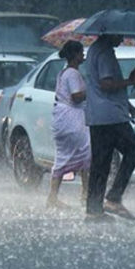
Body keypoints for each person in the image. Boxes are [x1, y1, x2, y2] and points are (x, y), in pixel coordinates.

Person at [83, 34, 135, 221]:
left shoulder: (94, 49)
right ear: (110, 32)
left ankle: (93, 209)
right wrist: (130, 82)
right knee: (133, 151)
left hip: (98, 115)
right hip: (111, 116)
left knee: (100, 164)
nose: (123, 39)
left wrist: (128, 105)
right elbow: (106, 84)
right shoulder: (105, 53)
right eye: (120, 34)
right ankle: (114, 198)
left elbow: (98, 85)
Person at [47, 40, 90, 208]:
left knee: (64, 157)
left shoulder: (64, 72)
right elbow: (76, 97)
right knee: (87, 154)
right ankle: (85, 194)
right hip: (71, 119)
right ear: (75, 55)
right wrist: (91, 90)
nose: (83, 55)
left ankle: (53, 197)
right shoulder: (72, 74)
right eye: (81, 52)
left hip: (63, 119)